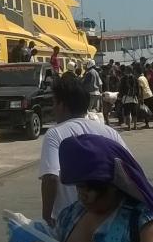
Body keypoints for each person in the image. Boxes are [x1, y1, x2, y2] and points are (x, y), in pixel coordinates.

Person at [54, 134, 153, 242]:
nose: (84, 195)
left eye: (92, 188)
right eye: (79, 186)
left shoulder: (141, 219)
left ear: (113, 184)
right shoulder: (69, 215)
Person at [39, 74, 126, 226]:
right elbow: (128, 170)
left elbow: (50, 178)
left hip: (72, 222)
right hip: (111, 219)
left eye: (54, 103)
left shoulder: (55, 134)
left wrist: (46, 216)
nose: (53, 108)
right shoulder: (109, 131)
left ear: (62, 105)